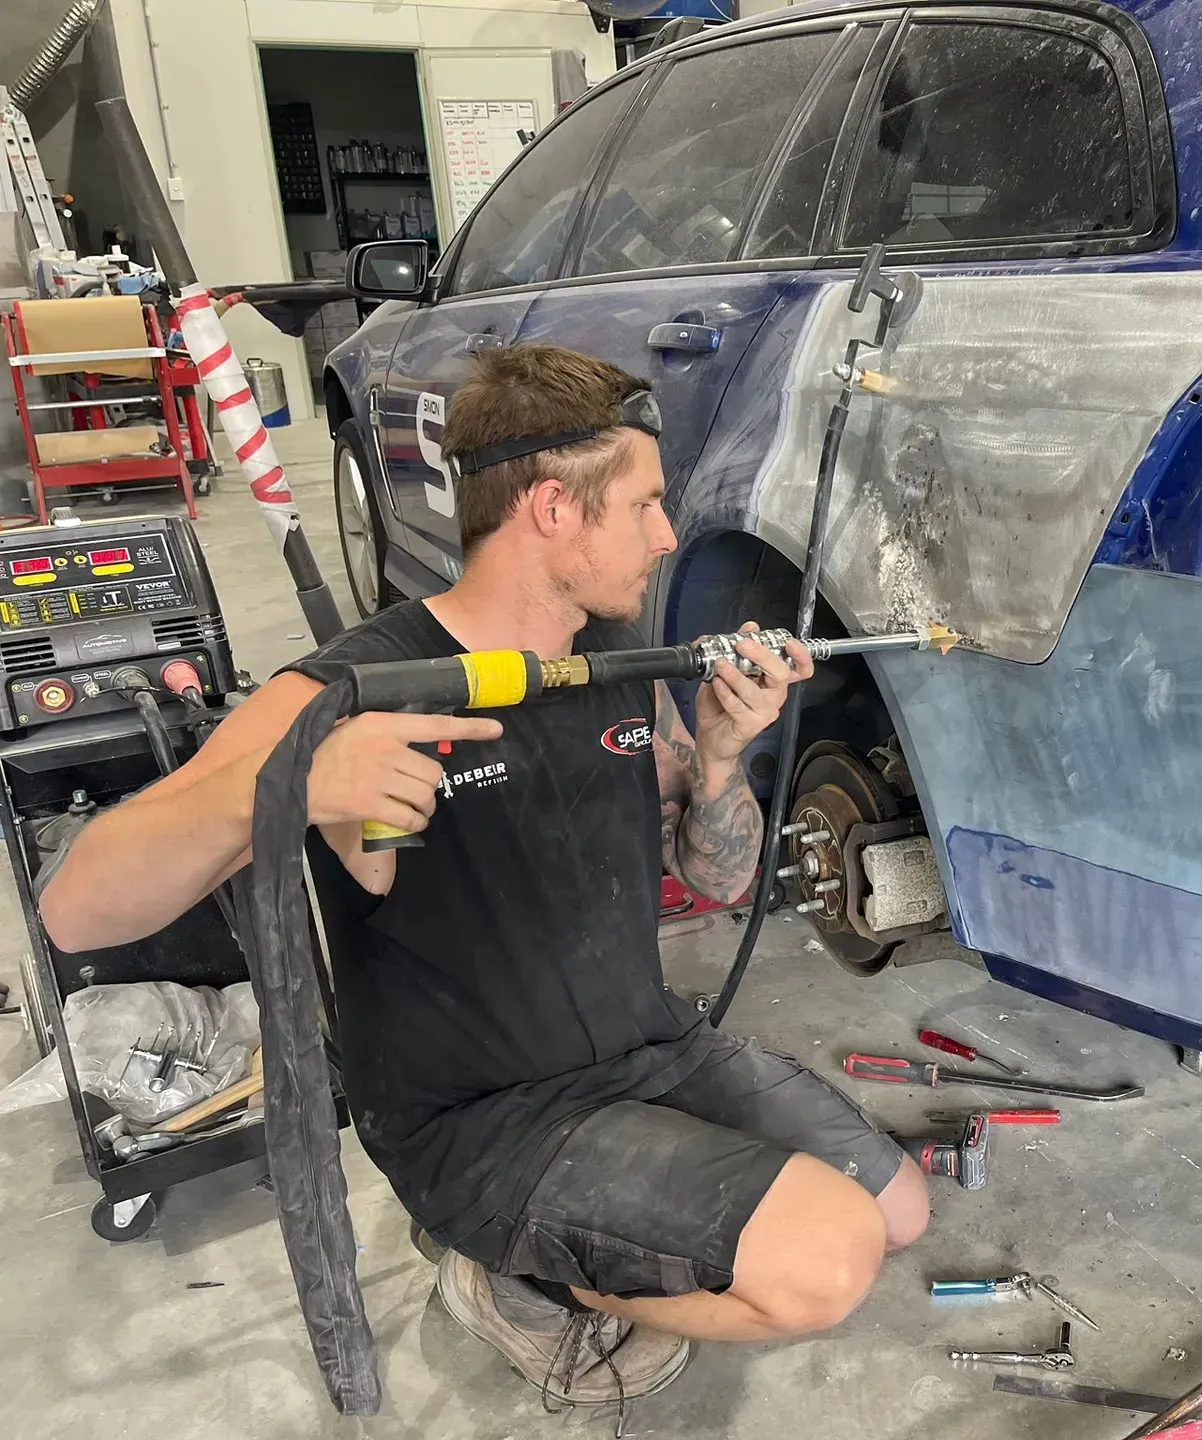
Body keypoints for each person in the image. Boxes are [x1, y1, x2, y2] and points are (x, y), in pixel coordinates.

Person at [39, 343, 929, 1409]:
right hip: (486, 1119)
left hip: (644, 1048)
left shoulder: (612, 660)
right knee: (828, 1257)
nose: (665, 535)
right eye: (644, 504)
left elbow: (714, 876)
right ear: (553, 507)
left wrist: (725, 755)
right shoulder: (362, 685)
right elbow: (78, 905)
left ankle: (606, 1243)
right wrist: (293, 783)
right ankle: (510, 1269)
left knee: (900, 1209)